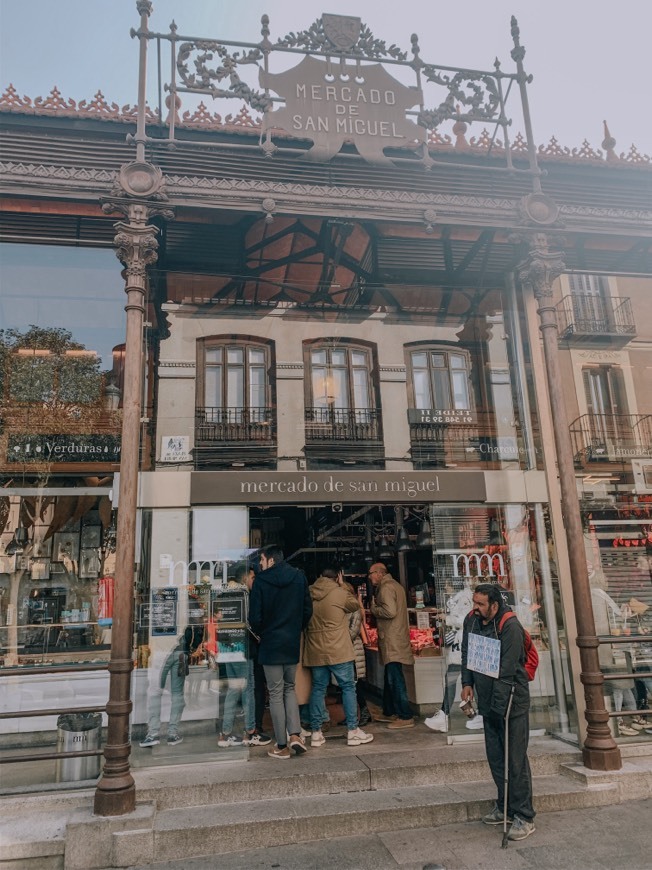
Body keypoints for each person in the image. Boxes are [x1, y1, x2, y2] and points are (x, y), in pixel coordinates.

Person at [461, 583, 535, 842]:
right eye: (474, 602)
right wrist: (467, 683)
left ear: (494, 604)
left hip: (511, 702)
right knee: (495, 756)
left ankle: (524, 815)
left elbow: (506, 672)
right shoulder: (471, 621)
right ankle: (505, 805)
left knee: (515, 760)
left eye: (481, 604)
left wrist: (499, 709)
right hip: (488, 699)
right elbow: (467, 653)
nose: (476, 608)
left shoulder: (510, 626)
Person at [249, 544, 313, 759]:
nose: (260, 564)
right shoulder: (299, 577)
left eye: (262, 560)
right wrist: (294, 629)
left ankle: (282, 745)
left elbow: (254, 618)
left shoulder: (261, 581)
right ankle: (295, 735)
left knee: (275, 693)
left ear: (271, 560)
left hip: (270, 644)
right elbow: (307, 610)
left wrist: (263, 632)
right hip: (291, 642)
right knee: (289, 689)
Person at [303, 566, 373, 748]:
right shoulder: (339, 592)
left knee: (318, 689)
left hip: (316, 649)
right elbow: (354, 605)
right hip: (339, 649)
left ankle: (316, 733)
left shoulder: (308, 593)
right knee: (348, 687)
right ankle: (352, 731)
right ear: (338, 577)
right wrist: (342, 586)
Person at [139, 593, 204, 748]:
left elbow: (146, 623)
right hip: (181, 652)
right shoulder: (189, 600)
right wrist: (191, 647)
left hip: (161, 652)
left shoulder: (159, 597)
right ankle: (172, 733)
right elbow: (198, 626)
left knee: (155, 691)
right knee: (177, 693)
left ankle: (153, 733)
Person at [217, 564, 271, 749]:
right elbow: (249, 622)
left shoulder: (223, 594)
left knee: (233, 689)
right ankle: (250, 732)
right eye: (253, 578)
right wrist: (259, 636)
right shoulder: (244, 595)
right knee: (248, 689)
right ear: (245, 578)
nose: (254, 581)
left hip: (225, 648)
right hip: (242, 647)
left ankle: (225, 734)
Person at [425, 580, 483, 733]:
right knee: (468, 679)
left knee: (454, 677)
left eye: (447, 584)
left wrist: (447, 618)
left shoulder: (465, 598)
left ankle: (445, 715)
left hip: (464, 643)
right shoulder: (462, 598)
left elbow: (466, 620)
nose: (445, 587)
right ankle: (478, 714)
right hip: (463, 644)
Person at [368, 562, 415, 729]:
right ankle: (389, 711)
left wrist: (373, 608)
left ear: (380, 573)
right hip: (397, 636)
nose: (369, 576)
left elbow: (389, 611)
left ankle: (405, 715)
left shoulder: (386, 588)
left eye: (371, 573)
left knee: (395, 678)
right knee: (390, 675)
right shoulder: (396, 585)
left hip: (391, 639)